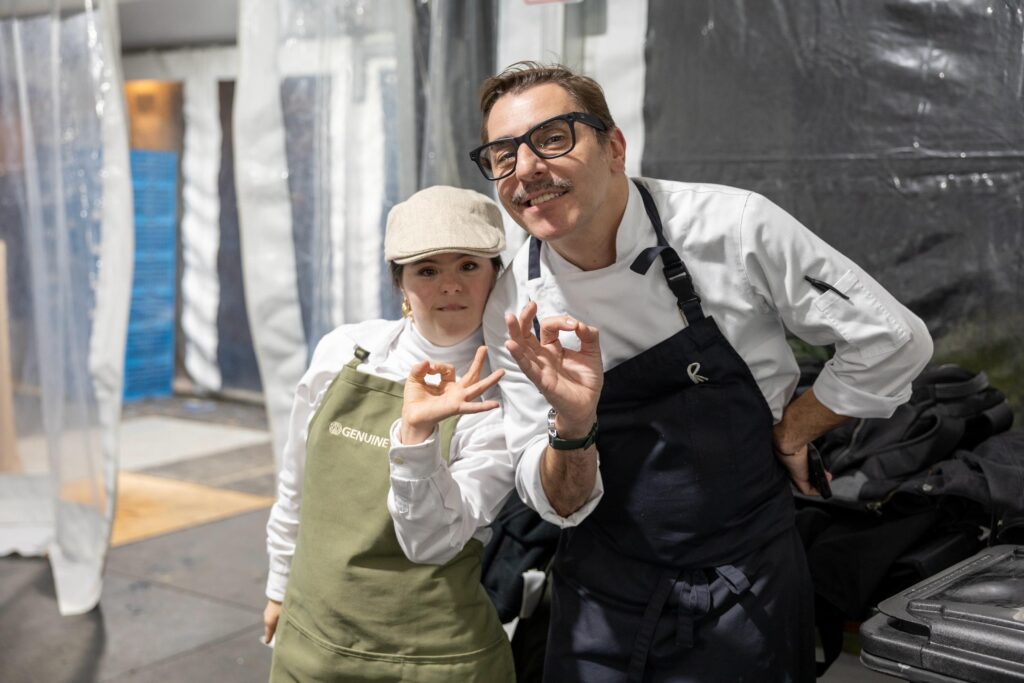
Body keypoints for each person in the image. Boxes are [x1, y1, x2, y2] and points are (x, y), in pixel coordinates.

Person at [471, 61, 934, 682]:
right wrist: (574, 423)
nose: (525, 168)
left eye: (552, 139)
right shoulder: (513, 305)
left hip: (746, 590)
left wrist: (793, 430)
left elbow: (893, 340)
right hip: (601, 597)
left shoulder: (729, 228)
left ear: (613, 148)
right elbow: (558, 504)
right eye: (503, 155)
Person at [263, 185, 516, 682]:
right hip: (311, 646)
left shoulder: (503, 393)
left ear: (496, 275)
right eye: (427, 270)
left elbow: (433, 543)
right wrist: (277, 586)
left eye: (468, 265)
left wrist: (417, 435)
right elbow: (296, 485)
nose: (451, 286)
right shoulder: (345, 351)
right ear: (400, 283)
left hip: (437, 661)